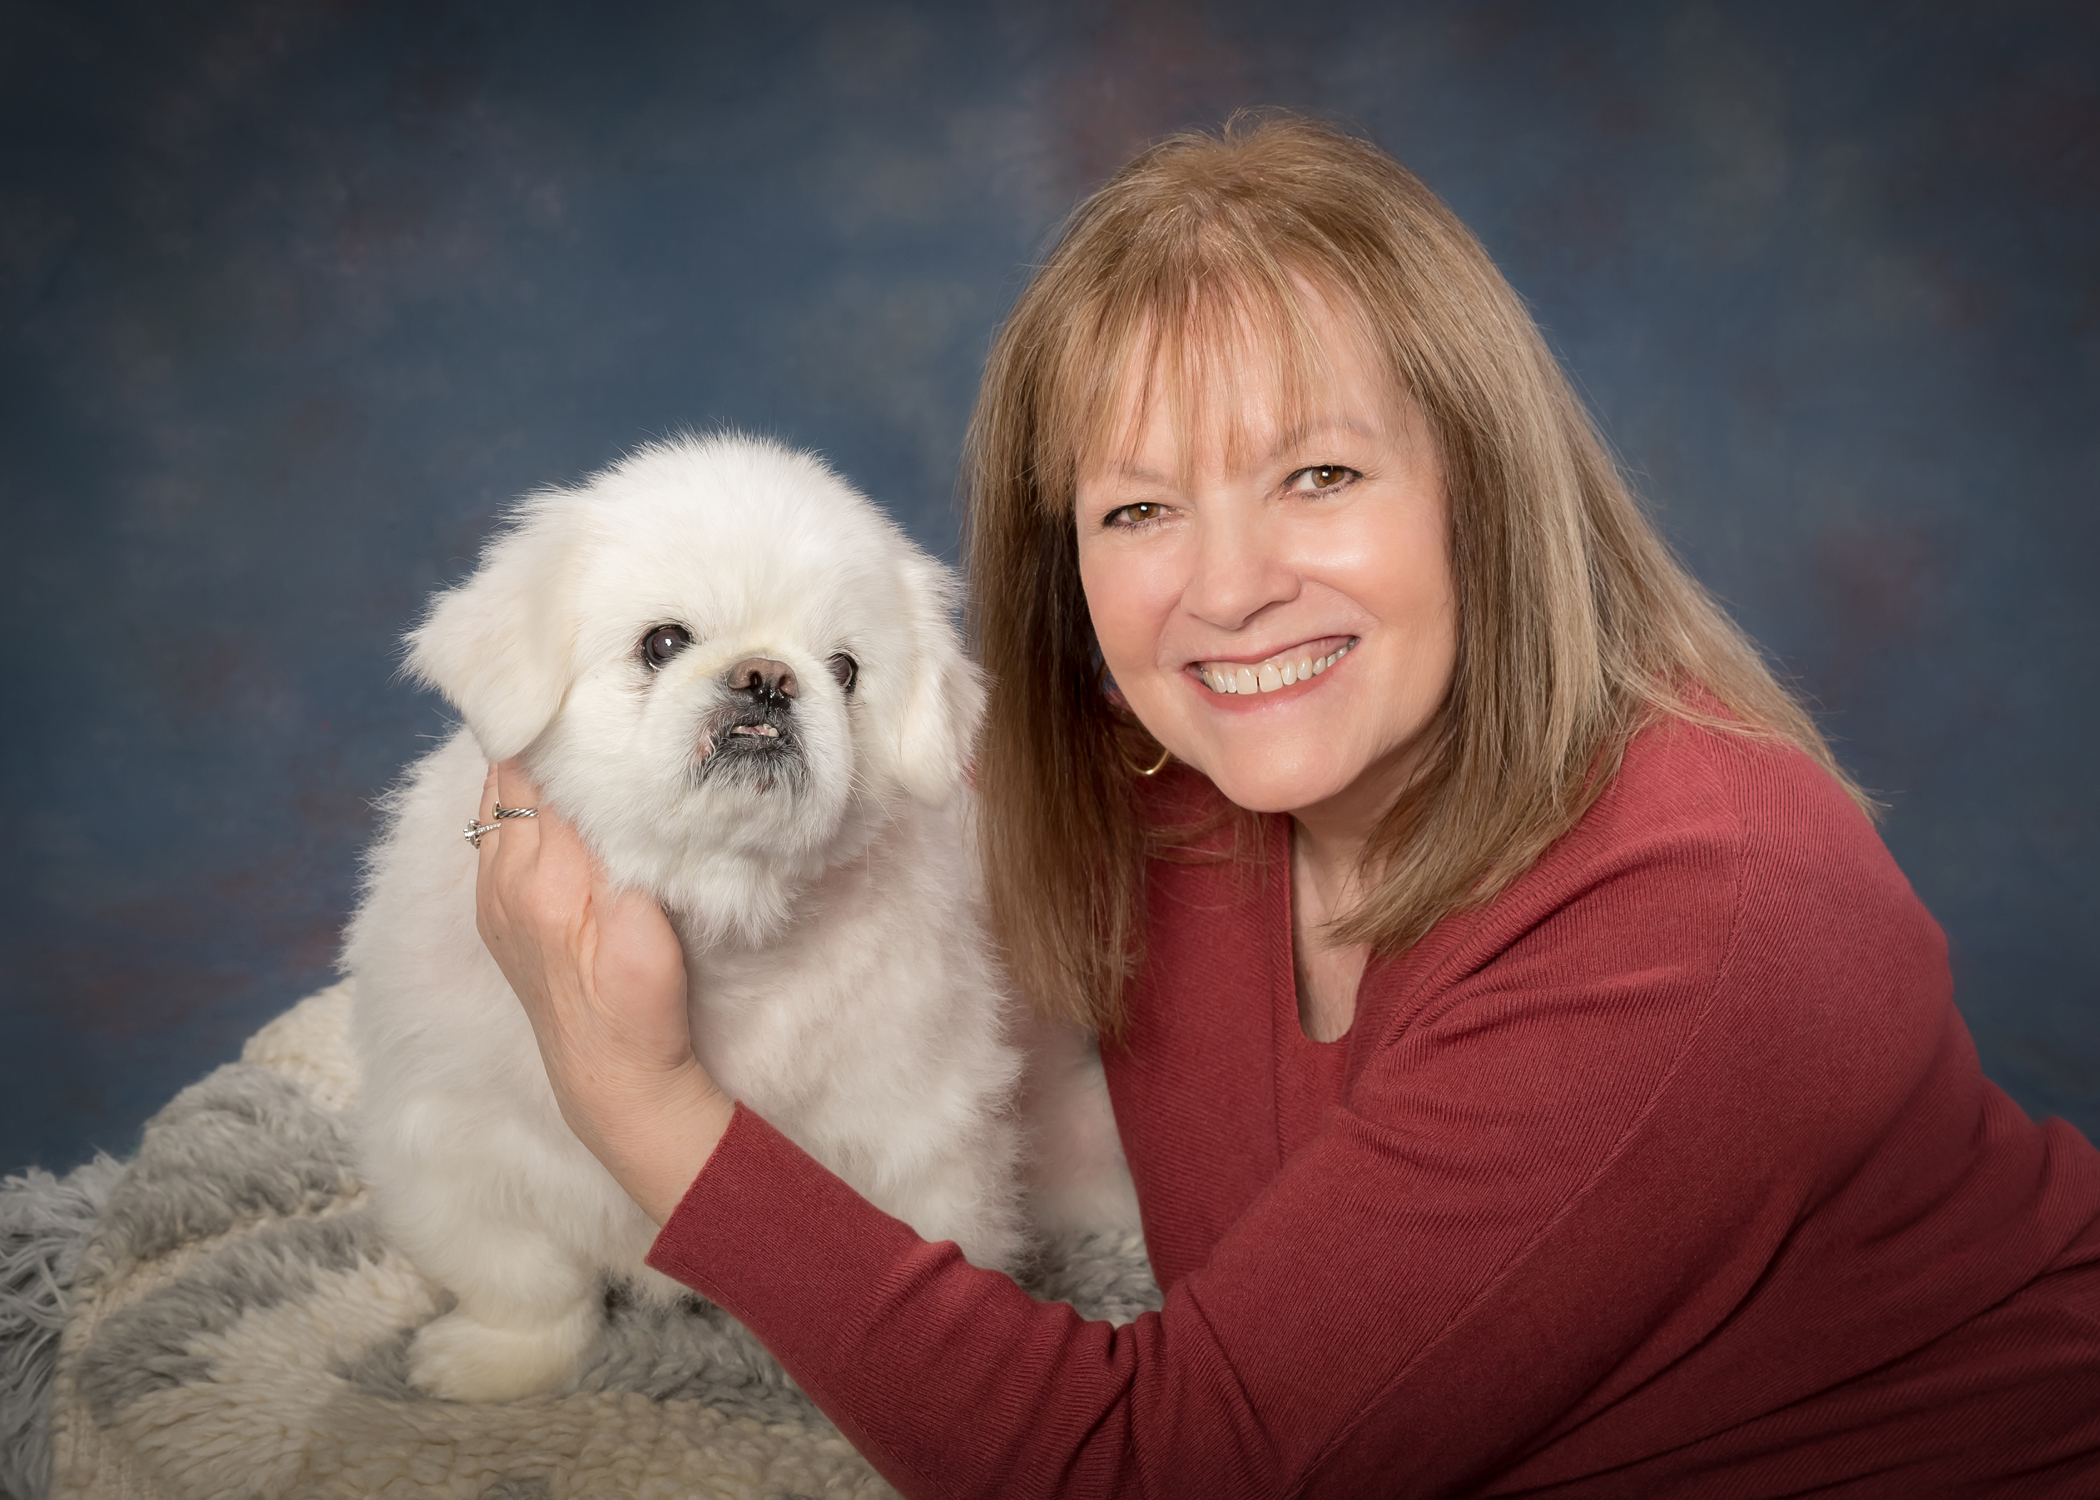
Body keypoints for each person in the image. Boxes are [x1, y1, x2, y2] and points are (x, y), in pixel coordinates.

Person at [471, 116, 2100, 1497]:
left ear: (1484, 485)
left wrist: (642, 1104)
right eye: (1141, 508)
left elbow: (1162, 1473)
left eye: (1318, 475)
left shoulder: (1705, 901)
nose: (1230, 590)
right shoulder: (1154, 782)